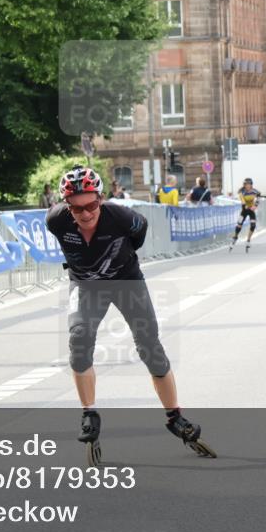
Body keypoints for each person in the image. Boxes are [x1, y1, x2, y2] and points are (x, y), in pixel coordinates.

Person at [46, 166, 214, 463]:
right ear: (65, 206)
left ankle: (175, 416)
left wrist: (121, 260)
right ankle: (89, 414)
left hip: (127, 282)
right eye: (77, 208)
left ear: (101, 198)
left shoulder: (122, 217)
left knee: (150, 345)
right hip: (86, 286)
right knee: (79, 340)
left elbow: (139, 236)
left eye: (91, 205)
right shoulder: (56, 221)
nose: (85, 214)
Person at [229, 178, 260, 253]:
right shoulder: (241, 191)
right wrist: (246, 205)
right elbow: (243, 202)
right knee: (239, 225)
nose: (246, 186)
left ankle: (248, 240)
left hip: (251, 210)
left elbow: (258, 198)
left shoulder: (255, 191)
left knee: (253, 225)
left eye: (248, 184)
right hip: (244, 210)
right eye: (245, 184)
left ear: (251, 185)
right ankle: (235, 236)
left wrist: (255, 206)